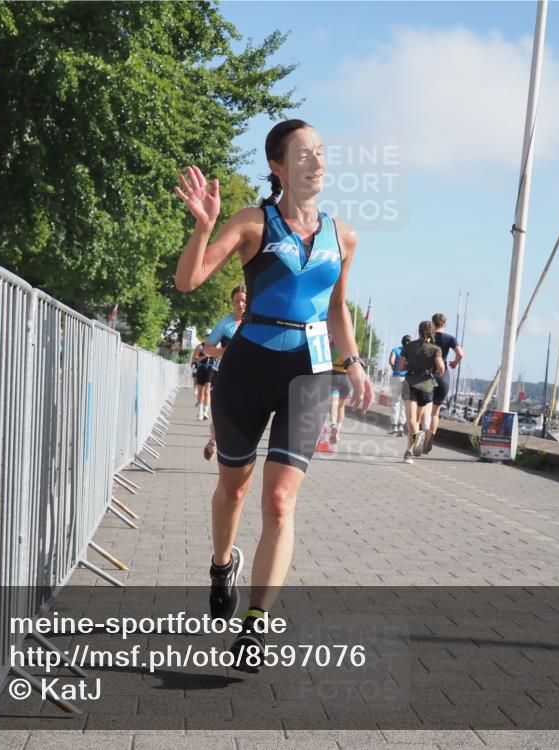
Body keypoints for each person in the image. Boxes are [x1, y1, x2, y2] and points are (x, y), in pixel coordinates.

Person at [174, 119, 372, 671]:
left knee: (280, 500)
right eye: (303, 153)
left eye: (322, 152)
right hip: (248, 366)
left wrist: (351, 363)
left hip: (309, 375)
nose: (316, 161)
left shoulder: (344, 235)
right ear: (278, 166)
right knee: (234, 489)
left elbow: (336, 309)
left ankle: (256, 625)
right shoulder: (252, 223)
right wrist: (203, 227)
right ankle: (220, 565)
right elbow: (189, 281)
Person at [200, 286, 247, 459]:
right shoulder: (225, 323)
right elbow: (206, 349)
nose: (241, 304)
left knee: (242, 416)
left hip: (249, 377)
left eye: (244, 301)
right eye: (237, 301)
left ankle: (234, 452)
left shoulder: (256, 323)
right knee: (222, 415)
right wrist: (224, 352)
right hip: (225, 375)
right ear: (233, 303)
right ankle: (215, 440)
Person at [399, 321, 444, 464]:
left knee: (412, 420)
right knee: (417, 420)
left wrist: (411, 364)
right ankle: (410, 449)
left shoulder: (408, 346)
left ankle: (409, 451)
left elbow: (400, 366)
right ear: (432, 332)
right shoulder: (435, 349)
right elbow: (441, 369)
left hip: (410, 383)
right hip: (426, 387)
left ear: (418, 331)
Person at [421, 313, 463, 454]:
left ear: (433, 324)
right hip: (443, 376)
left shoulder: (428, 338)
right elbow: (460, 353)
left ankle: (422, 434)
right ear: (445, 324)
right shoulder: (450, 338)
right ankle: (430, 437)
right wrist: (455, 363)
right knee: (435, 412)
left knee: (425, 408)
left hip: (429, 375)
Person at [327, 338, 352, 443]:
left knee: (333, 402)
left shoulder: (331, 343)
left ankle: (333, 424)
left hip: (334, 375)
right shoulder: (350, 345)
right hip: (346, 378)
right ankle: (338, 427)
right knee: (341, 405)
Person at [388, 336, 411, 435]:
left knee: (395, 401)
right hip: (406, 379)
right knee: (404, 402)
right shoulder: (411, 353)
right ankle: (401, 425)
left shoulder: (395, 350)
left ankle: (394, 427)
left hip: (396, 378)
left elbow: (391, 361)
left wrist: (395, 368)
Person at [191, 341, 214, 421]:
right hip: (201, 368)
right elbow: (195, 359)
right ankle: (200, 412)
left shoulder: (215, 346)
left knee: (207, 390)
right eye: (207, 336)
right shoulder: (200, 346)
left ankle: (205, 412)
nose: (209, 338)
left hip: (211, 369)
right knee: (201, 391)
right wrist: (204, 356)